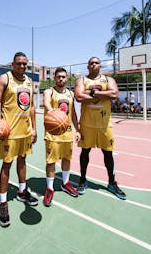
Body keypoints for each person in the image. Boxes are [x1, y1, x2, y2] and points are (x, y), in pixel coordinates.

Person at [0, 52, 38, 227]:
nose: (22, 67)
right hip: (9, 132)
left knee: (23, 161)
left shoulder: (29, 81)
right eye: (19, 64)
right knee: (7, 165)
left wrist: (34, 129)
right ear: (12, 64)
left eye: (25, 64)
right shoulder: (4, 79)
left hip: (25, 131)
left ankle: (22, 192)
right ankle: (2, 202)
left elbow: (31, 107)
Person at [74, 57, 126, 200]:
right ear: (88, 66)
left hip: (105, 124)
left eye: (96, 62)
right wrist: (104, 95)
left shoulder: (108, 80)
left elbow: (114, 94)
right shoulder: (81, 80)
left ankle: (112, 182)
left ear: (100, 65)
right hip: (86, 123)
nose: (94, 64)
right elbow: (78, 96)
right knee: (85, 152)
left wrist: (91, 93)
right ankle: (82, 180)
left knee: (108, 154)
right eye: (91, 63)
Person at [43, 67, 81, 206]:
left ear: (67, 79)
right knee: (51, 161)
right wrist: (52, 111)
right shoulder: (49, 91)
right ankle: (50, 188)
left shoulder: (71, 94)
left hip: (67, 132)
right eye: (58, 76)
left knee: (66, 158)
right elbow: (46, 102)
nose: (61, 79)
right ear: (54, 78)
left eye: (63, 77)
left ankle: (65, 183)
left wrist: (77, 129)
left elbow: (74, 114)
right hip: (53, 132)